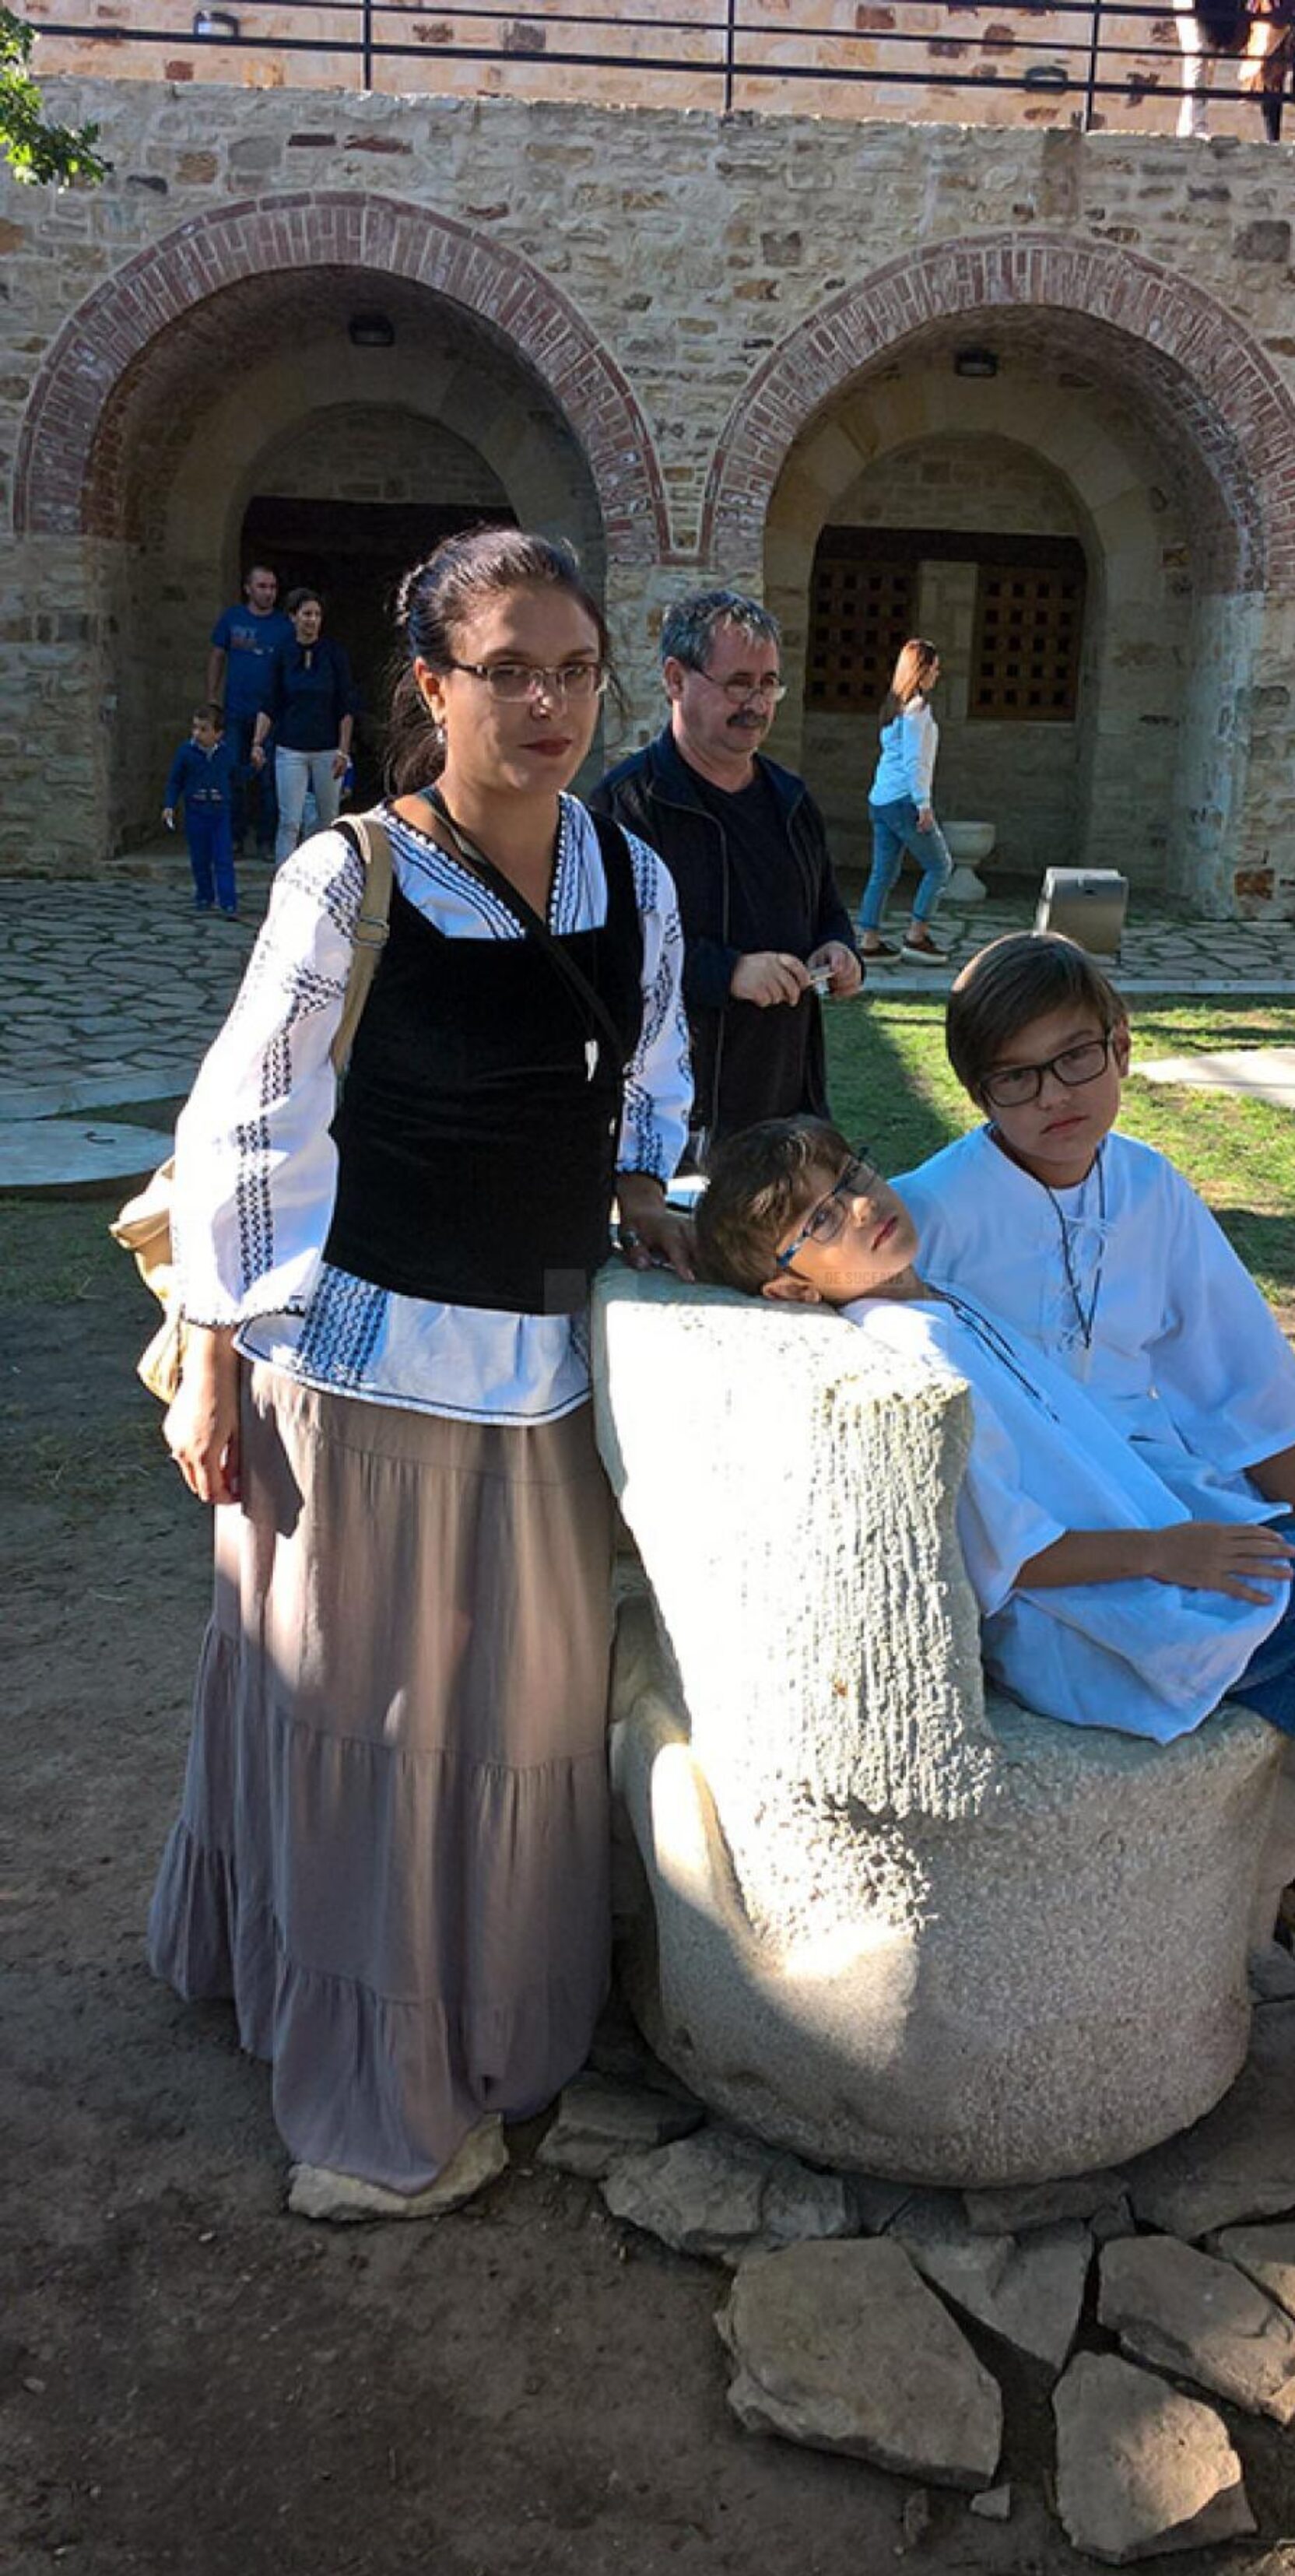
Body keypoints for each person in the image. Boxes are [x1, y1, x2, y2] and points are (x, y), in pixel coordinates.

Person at [149, 527, 693, 2218]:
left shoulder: (635, 874)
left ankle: (501, 2021)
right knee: (367, 1729)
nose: (547, 704)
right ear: (434, 685)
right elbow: (249, 1125)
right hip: (359, 1379)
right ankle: (370, 2076)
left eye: (574, 670)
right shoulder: (353, 875)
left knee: (514, 1726)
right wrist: (213, 1360)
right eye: (507, 670)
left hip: (546, 1379)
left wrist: (645, 1201)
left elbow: (652, 1082)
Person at [694, 1116, 1295, 2148]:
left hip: (1150, 1586)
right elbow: (1006, 1556)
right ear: (793, 1288)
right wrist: (1169, 1553)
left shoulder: (938, 1303)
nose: (859, 1202)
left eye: (850, 1172)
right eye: (819, 1217)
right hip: (1110, 1623)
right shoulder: (912, 1359)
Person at [895, 928, 1295, 1967]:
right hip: (1072, 1547)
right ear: (977, 1092)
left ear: (1121, 1046)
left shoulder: (1149, 1185)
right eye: (1015, 1077)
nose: (1054, 1095)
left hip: (1169, 1488)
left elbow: (1239, 1384)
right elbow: (806, 1251)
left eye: (1076, 1057)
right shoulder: (930, 1213)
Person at [589, 587, 862, 1164]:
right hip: (681, 1120)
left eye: (769, 684)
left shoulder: (791, 799)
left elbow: (828, 910)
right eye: (739, 683)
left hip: (790, 1101)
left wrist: (838, 948)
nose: (757, 704)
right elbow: (611, 957)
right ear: (675, 679)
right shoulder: (627, 806)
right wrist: (729, 972)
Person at [856, 637, 953, 966]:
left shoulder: (894, 707)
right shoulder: (917, 709)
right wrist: (923, 804)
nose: (938, 674)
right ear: (921, 671)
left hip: (881, 799)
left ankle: (868, 941)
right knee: (940, 866)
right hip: (904, 801)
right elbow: (915, 761)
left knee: (882, 873)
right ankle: (916, 936)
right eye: (934, 668)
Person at [251, 588, 356, 869]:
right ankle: (285, 879)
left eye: (317, 615)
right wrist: (257, 743)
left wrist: (343, 751)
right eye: (306, 614)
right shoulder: (282, 654)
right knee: (290, 821)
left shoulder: (334, 655)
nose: (312, 620)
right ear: (293, 617)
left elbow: (345, 706)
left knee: (328, 820)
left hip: (327, 749)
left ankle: (325, 877)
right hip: (291, 748)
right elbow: (270, 702)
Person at [207, 562, 293, 858]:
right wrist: (212, 696)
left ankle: (267, 840)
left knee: (270, 780)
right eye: (262, 586)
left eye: (273, 588)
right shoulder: (232, 619)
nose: (268, 593)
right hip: (235, 711)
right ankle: (235, 837)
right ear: (248, 589)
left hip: (270, 714)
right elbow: (217, 656)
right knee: (233, 774)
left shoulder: (284, 627)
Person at [163, 700, 237, 917]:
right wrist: (169, 804)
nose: (197, 734)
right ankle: (204, 895)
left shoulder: (226, 754)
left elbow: (236, 776)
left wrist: (254, 767)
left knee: (223, 857)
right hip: (196, 810)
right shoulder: (186, 753)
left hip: (219, 811)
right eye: (195, 728)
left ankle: (228, 901)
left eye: (204, 729)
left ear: (218, 734)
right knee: (200, 858)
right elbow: (175, 781)